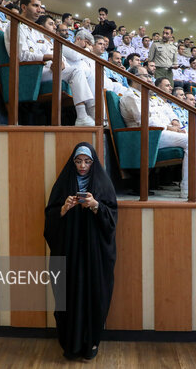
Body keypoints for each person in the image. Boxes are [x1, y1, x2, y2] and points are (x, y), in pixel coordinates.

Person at [44, 143, 118, 359]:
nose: (82, 166)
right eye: (78, 161)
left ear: (93, 163)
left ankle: (91, 344)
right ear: (72, 162)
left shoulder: (103, 184)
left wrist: (96, 206)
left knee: (94, 295)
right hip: (70, 254)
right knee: (68, 295)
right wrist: (64, 209)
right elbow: (50, 218)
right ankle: (70, 344)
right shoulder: (64, 183)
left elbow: (112, 220)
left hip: (95, 256)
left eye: (87, 161)